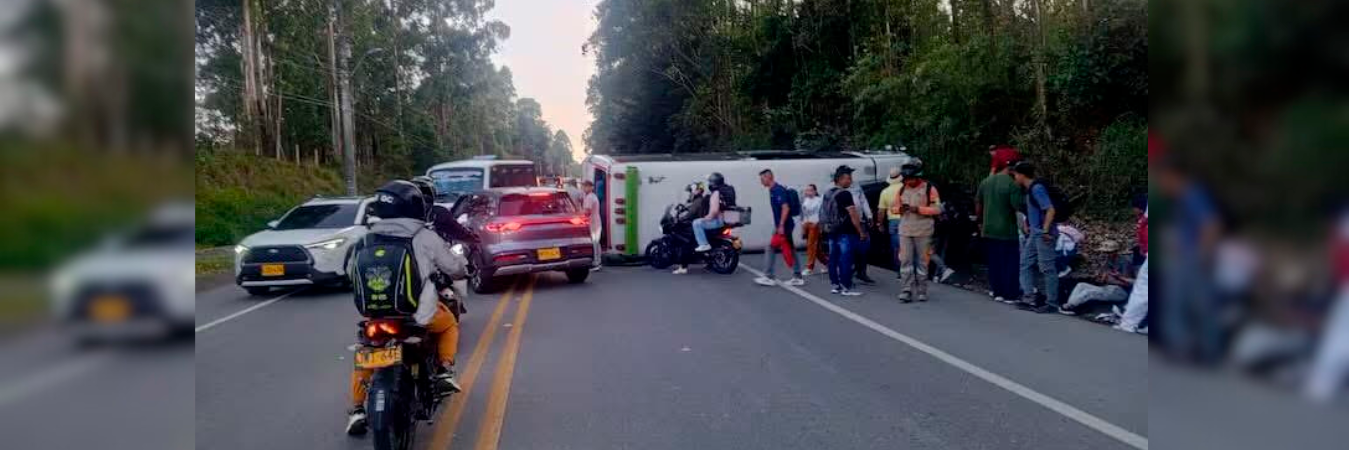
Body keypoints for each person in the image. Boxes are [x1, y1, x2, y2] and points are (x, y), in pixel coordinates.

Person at [347, 180, 465, 435]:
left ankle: (357, 409)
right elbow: (454, 267)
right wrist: (461, 270)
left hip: (375, 314)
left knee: (367, 351)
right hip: (417, 313)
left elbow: (349, 273)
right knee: (449, 326)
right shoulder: (423, 235)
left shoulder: (366, 238)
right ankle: (444, 371)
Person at [1011, 161, 1071, 315]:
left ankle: (1051, 302)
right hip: (1035, 232)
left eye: (1015, 174)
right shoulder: (1030, 189)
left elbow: (1049, 210)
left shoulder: (1037, 189)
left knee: (1047, 267)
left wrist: (1045, 231)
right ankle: (1028, 296)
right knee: (1025, 262)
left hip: (1043, 233)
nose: (1014, 177)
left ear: (1022, 175)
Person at [892, 161, 942, 303]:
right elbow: (894, 208)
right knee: (905, 261)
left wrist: (918, 209)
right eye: (906, 179)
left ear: (918, 177)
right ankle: (906, 290)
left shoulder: (930, 189)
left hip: (924, 231)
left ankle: (921, 290)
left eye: (911, 179)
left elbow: (937, 209)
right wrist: (899, 209)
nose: (909, 182)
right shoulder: (901, 190)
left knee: (922, 262)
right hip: (905, 231)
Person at [755, 169, 805, 286]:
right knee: (789, 249)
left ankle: (769, 276)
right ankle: (797, 276)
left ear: (769, 177)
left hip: (784, 225)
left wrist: (781, 225)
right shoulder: (773, 190)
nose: (761, 182)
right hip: (781, 225)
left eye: (762, 179)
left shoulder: (778, 190)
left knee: (771, 247)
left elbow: (785, 208)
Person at [823, 166, 867, 296]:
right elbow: (853, 214)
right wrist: (861, 231)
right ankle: (846, 286)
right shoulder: (845, 194)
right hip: (845, 231)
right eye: (848, 178)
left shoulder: (828, 193)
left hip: (831, 230)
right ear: (840, 179)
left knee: (833, 258)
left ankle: (835, 285)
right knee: (845, 258)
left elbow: (823, 213)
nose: (850, 181)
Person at [1063, 240, 1134, 310]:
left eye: (1109, 253)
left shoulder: (1124, 262)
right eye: (1104, 252)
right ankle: (1071, 305)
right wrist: (1099, 277)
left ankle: (1070, 306)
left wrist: (1113, 279)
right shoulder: (1107, 261)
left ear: (1115, 251)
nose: (1106, 254)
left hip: (1120, 291)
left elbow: (1127, 283)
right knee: (1081, 285)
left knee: (1089, 292)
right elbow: (1102, 280)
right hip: (1107, 287)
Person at [672, 182, 711, 275]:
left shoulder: (697, 201)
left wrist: (679, 219)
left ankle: (683, 267)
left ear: (696, 191)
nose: (690, 194)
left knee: (685, 242)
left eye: (691, 191)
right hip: (700, 223)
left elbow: (690, 214)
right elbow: (689, 208)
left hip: (696, 224)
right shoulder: (699, 200)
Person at [693, 172, 733, 253]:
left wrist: (706, 218)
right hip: (728, 219)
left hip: (719, 221)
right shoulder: (728, 190)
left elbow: (714, 211)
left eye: (709, 181)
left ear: (713, 183)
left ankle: (704, 244)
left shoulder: (716, 193)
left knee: (696, 223)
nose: (708, 184)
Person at [876, 167, 905, 272]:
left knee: (896, 247)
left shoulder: (885, 192)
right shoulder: (906, 188)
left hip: (893, 222)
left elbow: (881, 211)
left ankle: (898, 270)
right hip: (907, 220)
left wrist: (880, 224)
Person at [849, 177, 877, 285]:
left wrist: (869, 215)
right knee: (849, 248)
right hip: (847, 223)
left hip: (860, 220)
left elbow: (863, 201)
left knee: (863, 247)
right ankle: (848, 272)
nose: (850, 178)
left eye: (850, 175)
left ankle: (862, 272)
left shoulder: (856, 186)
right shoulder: (835, 187)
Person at [801, 184, 823, 276]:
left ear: (815, 191)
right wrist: (803, 225)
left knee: (811, 245)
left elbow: (821, 213)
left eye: (810, 190)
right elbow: (804, 214)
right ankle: (828, 263)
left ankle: (809, 268)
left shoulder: (819, 200)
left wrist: (818, 223)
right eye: (807, 190)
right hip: (807, 224)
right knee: (816, 248)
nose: (808, 192)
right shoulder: (805, 200)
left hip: (815, 224)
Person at [581, 180, 603, 271]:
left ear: (590, 187)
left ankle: (596, 263)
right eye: (583, 186)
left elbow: (587, 211)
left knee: (594, 243)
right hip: (596, 222)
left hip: (593, 223)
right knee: (597, 243)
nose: (584, 188)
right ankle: (598, 261)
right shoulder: (593, 196)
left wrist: (579, 215)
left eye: (585, 186)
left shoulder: (589, 197)